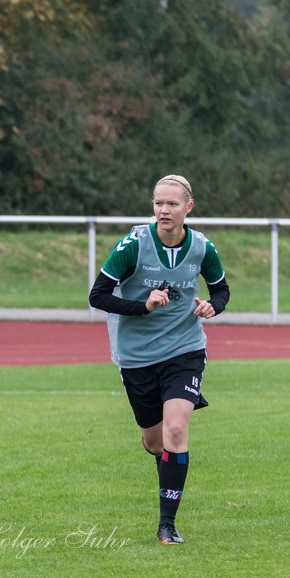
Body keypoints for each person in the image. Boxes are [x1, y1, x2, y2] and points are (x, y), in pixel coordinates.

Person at [88, 174, 230, 545]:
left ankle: (167, 524)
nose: (163, 210)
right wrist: (143, 305)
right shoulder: (133, 244)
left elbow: (221, 288)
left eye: (171, 204)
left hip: (185, 348)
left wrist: (212, 306)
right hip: (137, 356)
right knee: (156, 442)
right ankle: (160, 452)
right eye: (158, 203)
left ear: (188, 208)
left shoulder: (202, 247)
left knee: (177, 430)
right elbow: (98, 296)